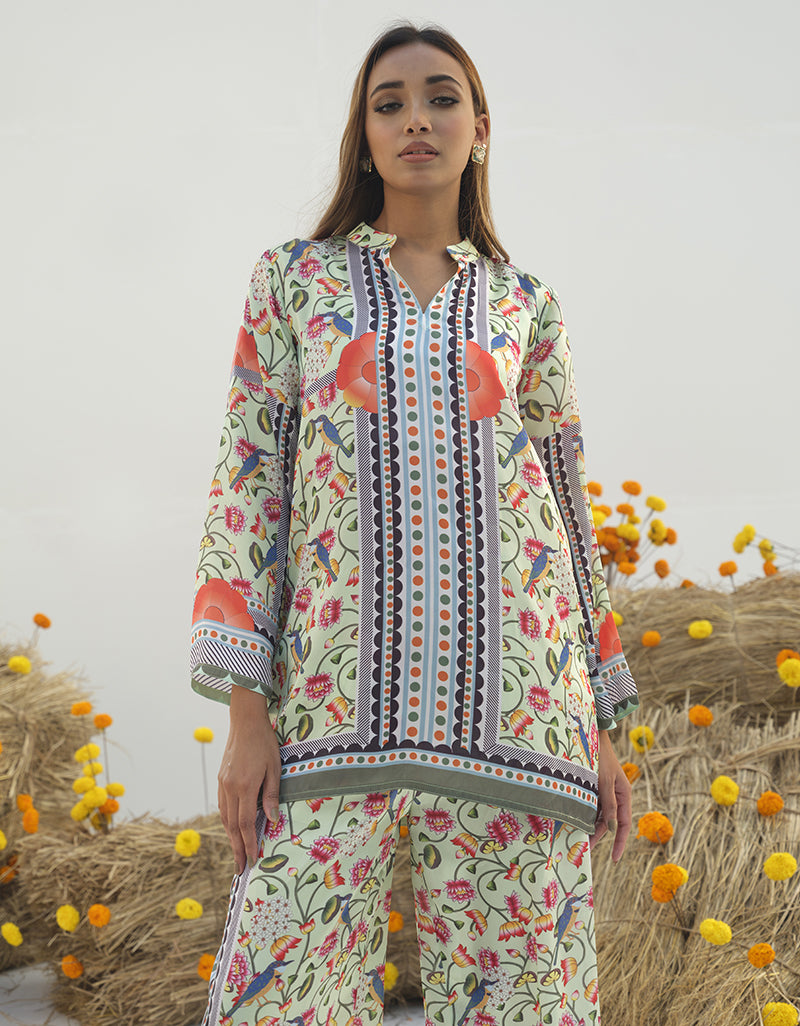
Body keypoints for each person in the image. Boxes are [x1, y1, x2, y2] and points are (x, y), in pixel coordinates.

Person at [190, 21, 639, 1026]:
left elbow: (566, 516)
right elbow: (248, 489)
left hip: (523, 717)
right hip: (328, 713)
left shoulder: (526, 305)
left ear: (481, 127)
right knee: (282, 993)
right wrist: (247, 718)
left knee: (526, 1001)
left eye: (440, 98)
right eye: (387, 104)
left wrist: (602, 728)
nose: (415, 120)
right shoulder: (295, 280)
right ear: (363, 139)